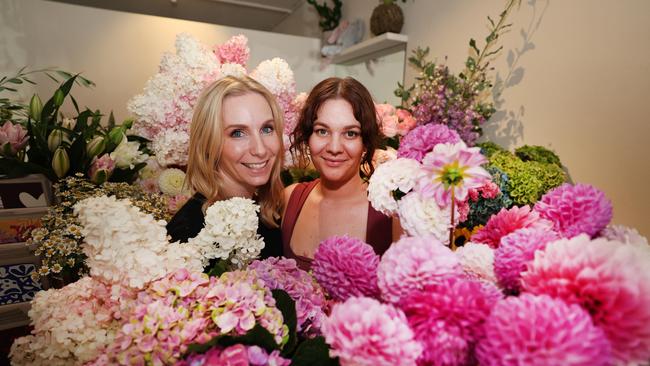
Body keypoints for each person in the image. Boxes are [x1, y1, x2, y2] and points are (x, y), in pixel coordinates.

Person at [282, 77, 401, 270]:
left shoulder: (390, 214)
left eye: (350, 133)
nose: (334, 148)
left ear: (366, 142)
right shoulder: (289, 200)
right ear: (307, 136)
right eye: (322, 131)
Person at [167, 75, 284, 260]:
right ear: (208, 143)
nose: (260, 149)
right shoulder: (192, 236)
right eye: (238, 133)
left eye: (267, 129)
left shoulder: (267, 213)